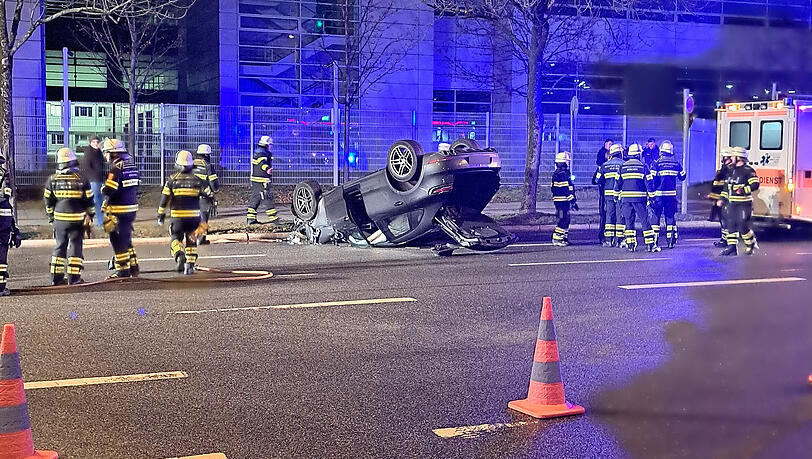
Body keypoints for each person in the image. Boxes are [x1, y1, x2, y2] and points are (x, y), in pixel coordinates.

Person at [43, 148, 94, 285]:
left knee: (60, 246)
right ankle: (74, 278)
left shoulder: (52, 180)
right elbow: (89, 201)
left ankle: (56, 278)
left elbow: (48, 201)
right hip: (77, 220)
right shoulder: (82, 180)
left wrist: (51, 217)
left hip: (59, 220)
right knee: (75, 246)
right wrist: (91, 215)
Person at [158, 151, 214, 275]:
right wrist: (211, 202)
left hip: (177, 217)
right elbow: (209, 193)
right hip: (193, 217)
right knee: (191, 240)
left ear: (177, 164)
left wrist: (161, 214)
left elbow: (164, 199)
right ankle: (190, 265)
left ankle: (179, 255)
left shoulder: (171, 180)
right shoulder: (197, 180)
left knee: (175, 238)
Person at [101, 139, 140, 278]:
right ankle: (134, 267)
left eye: (106, 153)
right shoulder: (132, 166)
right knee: (126, 237)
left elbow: (110, 189)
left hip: (119, 210)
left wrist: (103, 189)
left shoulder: (116, 169)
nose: (105, 156)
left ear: (112, 154)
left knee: (117, 240)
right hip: (131, 208)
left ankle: (122, 271)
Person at [615, 143, 659, 252]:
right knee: (644, 221)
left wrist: (616, 197)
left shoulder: (622, 167)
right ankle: (650, 244)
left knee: (629, 221)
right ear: (639, 155)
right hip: (639, 199)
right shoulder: (643, 166)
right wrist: (652, 197)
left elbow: (617, 183)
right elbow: (649, 183)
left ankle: (631, 245)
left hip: (626, 199)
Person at [719, 147, 759, 256]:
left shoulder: (748, 171)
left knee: (742, 225)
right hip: (731, 203)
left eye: (733, 156)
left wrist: (743, 190)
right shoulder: (731, 170)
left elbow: (755, 185)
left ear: (739, 157)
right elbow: (726, 187)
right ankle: (732, 248)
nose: (731, 158)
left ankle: (750, 243)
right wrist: (722, 199)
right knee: (731, 224)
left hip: (744, 204)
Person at [649, 140, 687, 249]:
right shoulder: (676, 163)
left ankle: (655, 242)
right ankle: (670, 242)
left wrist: (651, 193)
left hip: (658, 196)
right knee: (670, 217)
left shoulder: (656, 163)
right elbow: (683, 176)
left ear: (661, 151)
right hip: (671, 196)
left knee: (655, 217)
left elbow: (652, 179)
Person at [0, 154, 22, 296]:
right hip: (3, 222)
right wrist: (15, 230)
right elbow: (7, 201)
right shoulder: (4, 174)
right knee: (1, 254)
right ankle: (1, 287)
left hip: (4, 220)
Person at [594, 144, 624, 247]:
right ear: (620, 153)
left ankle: (608, 239)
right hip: (620, 195)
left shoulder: (604, 165)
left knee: (609, 216)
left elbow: (597, 180)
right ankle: (619, 240)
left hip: (608, 195)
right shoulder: (623, 164)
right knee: (619, 215)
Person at [247, 136, 277, 225]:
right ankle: (274, 219)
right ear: (267, 144)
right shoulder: (263, 153)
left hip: (256, 179)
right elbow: (262, 163)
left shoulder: (258, 151)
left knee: (256, 198)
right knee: (267, 198)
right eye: (271, 145)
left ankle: (251, 219)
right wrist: (267, 169)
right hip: (262, 179)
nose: (271, 146)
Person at [193, 144, 220, 244]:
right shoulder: (207, 166)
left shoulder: (191, 164)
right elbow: (213, 182)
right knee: (204, 216)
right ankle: (201, 238)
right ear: (206, 155)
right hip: (203, 195)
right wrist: (215, 191)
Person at [551, 151, 578, 246]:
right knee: (563, 219)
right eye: (567, 161)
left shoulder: (558, 173)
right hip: (562, 201)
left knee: (566, 219)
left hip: (561, 201)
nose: (568, 163)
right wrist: (573, 200)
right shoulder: (563, 174)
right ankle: (557, 238)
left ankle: (563, 237)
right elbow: (565, 189)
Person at [709, 149, 733, 247]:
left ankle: (726, 241)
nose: (722, 159)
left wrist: (720, 199)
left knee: (725, 221)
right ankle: (724, 239)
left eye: (723, 157)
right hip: (720, 199)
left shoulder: (729, 170)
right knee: (723, 221)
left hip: (724, 200)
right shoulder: (725, 169)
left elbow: (725, 186)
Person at [80, 136, 105, 226]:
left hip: (100, 179)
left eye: (97, 142)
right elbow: (86, 167)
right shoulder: (89, 153)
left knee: (101, 201)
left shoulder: (99, 153)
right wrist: (92, 177)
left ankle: (99, 220)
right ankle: (98, 220)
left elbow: (102, 166)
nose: (96, 143)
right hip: (93, 180)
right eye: (94, 142)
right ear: (90, 143)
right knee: (95, 201)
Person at [595, 139, 612, 244]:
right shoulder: (602, 154)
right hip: (607, 195)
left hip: (605, 194)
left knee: (606, 216)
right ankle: (605, 237)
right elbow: (596, 180)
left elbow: (595, 180)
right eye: (609, 144)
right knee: (607, 216)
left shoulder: (603, 168)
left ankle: (605, 237)